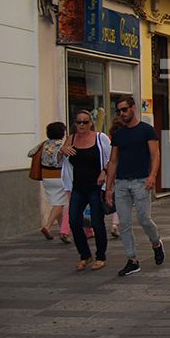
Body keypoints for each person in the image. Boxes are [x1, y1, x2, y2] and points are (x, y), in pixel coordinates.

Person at [105, 96, 164, 277]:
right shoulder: (118, 135)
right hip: (122, 183)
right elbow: (113, 161)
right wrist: (109, 187)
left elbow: (155, 155)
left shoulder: (146, 130)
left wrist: (152, 176)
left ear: (133, 108)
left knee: (144, 219)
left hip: (141, 181)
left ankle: (156, 243)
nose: (122, 114)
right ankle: (132, 260)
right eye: (119, 111)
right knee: (124, 223)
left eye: (124, 110)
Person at [61, 111, 111, 271]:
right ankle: (85, 255)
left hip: (96, 187)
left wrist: (104, 172)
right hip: (78, 186)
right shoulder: (72, 139)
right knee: (74, 221)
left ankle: (101, 256)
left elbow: (112, 159)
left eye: (85, 122)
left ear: (91, 123)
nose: (81, 125)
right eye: (78, 122)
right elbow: (60, 162)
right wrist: (62, 151)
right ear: (75, 124)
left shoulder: (100, 138)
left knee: (97, 222)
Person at [30, 122, 71, 242]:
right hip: (59, 176)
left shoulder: (44, 144)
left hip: (46, 176)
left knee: (56, 201)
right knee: (60, 203)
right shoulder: (62, 144)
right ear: (62, 133)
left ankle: (62, 231)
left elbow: (30, 153)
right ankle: (47, 226)